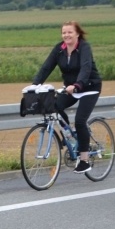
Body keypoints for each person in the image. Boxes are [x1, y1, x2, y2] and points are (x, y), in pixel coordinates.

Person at [31, 21, 102, 173]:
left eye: (70, 32)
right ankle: (69, 135)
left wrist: (77, 85)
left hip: (89, 87)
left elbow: (86, 68)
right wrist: (34, 85)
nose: (66, 35)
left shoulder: (84, 47)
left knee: (80, 121)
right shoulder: (59, 49)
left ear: (77, 34)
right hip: (70, 88)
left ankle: (84, 160)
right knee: (54, 106)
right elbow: (46, 67)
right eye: (64, 32)